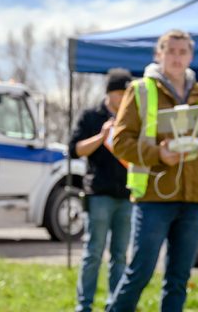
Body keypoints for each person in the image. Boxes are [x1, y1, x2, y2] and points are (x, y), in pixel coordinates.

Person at [107, 29, 198, 312]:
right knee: (139, 273)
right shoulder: (140, 90)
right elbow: (119, 142)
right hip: (153, 200)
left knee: (178, 279)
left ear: (191, 56)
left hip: (192, 201)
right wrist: (159, 154)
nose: (177, 58)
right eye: (171, 51)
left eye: (182, 52)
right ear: (158, 54)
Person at [69, 68, 134, 312]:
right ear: (110, 93)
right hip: (99, 195)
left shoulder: (132, 118)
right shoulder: (91, 116)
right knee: (93, 253)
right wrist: (102, 136)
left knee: (120, 255)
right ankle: (84, 305)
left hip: (127, 195)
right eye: (121, 93)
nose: (125, 98)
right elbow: (75, 149)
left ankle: (114, 305)